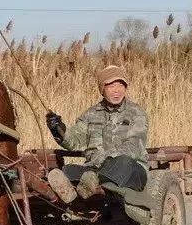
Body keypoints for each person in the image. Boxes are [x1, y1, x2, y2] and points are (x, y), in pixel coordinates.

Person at [45, 65, 149, 202]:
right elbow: (75, 141)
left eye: (121, 85)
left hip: (131, 170)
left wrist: (106, 160)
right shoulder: (90, 114)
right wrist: (58, 129)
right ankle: (74, 191)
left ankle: (89, 183)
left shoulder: (137, 113)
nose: (117, 90)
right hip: (94, 169)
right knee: (68, 169)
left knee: (123, 162)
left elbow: (135, 144)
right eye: (111, 86)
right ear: (102, 89)